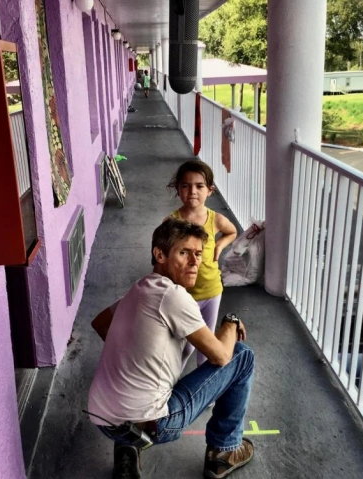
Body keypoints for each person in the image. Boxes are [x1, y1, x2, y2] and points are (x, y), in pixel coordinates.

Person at [87, 217, 255, 479]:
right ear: (160, 255)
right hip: (156, 424)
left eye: (198, 253)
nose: (195, 262)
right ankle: (224, 451)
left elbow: (99, 323)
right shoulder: (173, 296)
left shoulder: (140, 288)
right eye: (184, 253)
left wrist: (132, 355)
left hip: (104, 419)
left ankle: (127, 446)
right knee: (242, 356)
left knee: (136, 395)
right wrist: (231, 321)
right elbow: (222, 356)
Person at [166, 160, 238, 371]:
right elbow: (163, 256)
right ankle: (168, 384)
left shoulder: (215, 219)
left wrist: (219, 246)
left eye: (199, 186)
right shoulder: (171, 222)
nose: (192, 192)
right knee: (183, 347)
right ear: (177, 189)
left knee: (207, 348)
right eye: (186, 186)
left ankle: (203, 384)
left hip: (212, 291)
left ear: (210, 190)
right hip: (184, 296)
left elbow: (232, 231)